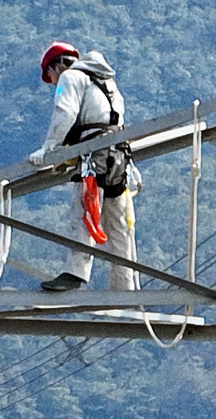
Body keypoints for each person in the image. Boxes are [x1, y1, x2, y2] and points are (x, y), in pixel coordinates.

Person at [28, 41, 138, 292]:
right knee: (118, 222)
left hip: (94, 156)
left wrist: (48, 148)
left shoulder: (71, 77)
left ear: (56, 66)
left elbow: (65, 112)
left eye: (52, 77)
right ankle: (124, 286)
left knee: (83, 212)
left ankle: (75, 273)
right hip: (119, 156)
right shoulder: (107, 82)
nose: (54, 83)